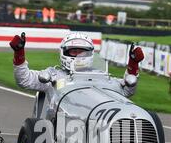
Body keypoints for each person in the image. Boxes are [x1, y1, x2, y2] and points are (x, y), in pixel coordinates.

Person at [9, 32, 144, 101]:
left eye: (82, 51)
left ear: (90, 53)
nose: (78, 55)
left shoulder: (101, 76)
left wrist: (133, 63)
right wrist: (19, 52)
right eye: (74, 51)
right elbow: (24, 80)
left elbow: (126, 91)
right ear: (65, 52)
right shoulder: (53, 75)